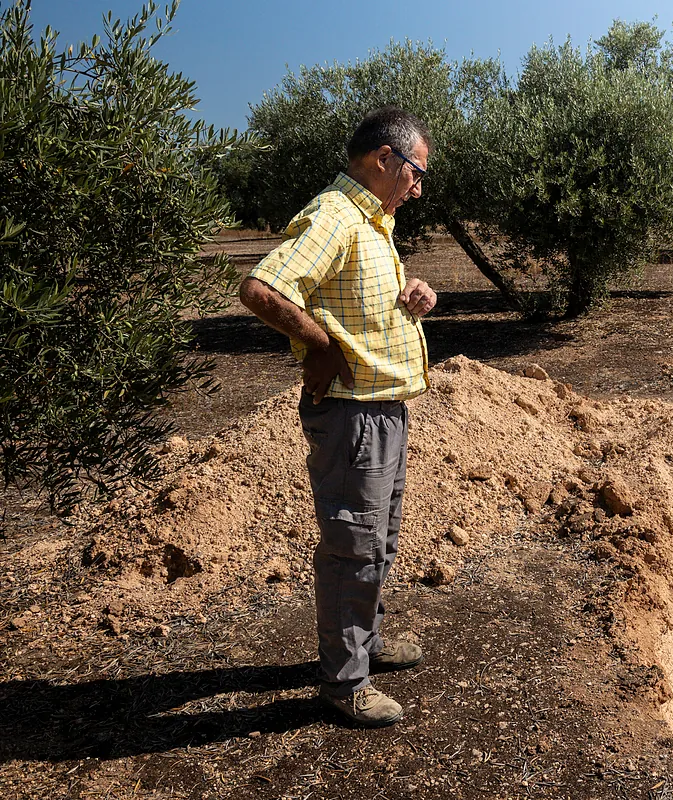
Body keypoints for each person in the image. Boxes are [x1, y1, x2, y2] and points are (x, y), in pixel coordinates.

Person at [239, 107, 437, 727]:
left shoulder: (373, 224)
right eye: (416, 172)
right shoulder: (336, 215)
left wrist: (412, 296)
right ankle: (345, 683)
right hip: (353, 418)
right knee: (354, 546)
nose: (418, 186)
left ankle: (366, 646)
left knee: (378, 541)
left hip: (383, 412)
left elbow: (354, 299)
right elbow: (262, 289)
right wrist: (320, 345)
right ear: (384, 160)